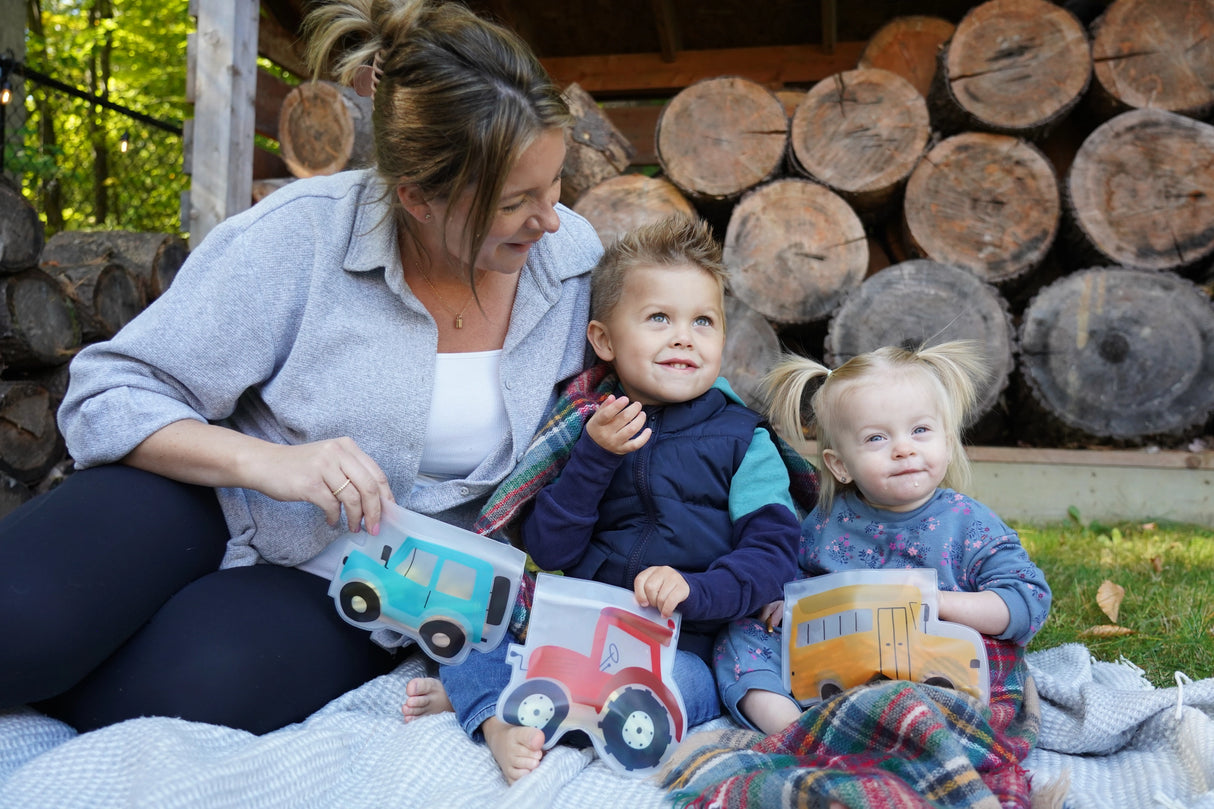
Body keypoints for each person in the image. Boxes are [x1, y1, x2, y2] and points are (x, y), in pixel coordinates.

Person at [0, 0, 604, 735]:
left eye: (554, 183)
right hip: (206, 497)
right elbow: (107, 391)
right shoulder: (300, 236)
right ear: (416, 198)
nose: (551, 217)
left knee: (182, 692)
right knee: (21, 624)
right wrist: (268, 464)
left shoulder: (573, 266)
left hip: (367, 580)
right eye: (516, 202)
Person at [403, 215, 814, 782]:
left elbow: (773, 555)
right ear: (604, 340)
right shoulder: (585, 425)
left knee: (690, 688)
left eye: (703, 321)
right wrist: (594, 458)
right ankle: (496, 720)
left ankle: (538, 704)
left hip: (678, 639)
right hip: (576, 624)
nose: (684, 337)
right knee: (473, 631)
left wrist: (695, 590)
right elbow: (550, 549)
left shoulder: (745, 440)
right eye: (659, 318)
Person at [714, 342, 1052, 735]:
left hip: (938, 670)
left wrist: (940, 603)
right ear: (840, 465)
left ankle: (915, 724)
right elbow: (794, 574)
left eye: (920, 430)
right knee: (741, 636)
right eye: (877, 438)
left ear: (948, 442)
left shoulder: (969, 524)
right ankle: (795, 730)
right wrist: (784, 601)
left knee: (992, 654)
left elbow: (1028, 600)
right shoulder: (827, 522)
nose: (904, 449)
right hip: (840, 666)